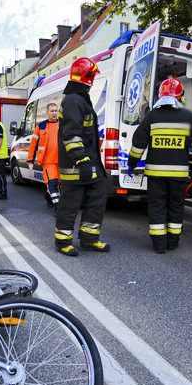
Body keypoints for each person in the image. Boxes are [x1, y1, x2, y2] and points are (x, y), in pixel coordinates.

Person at [128, 77, 192, 253]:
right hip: (179, 175)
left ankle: (159, 245)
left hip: (156, 175)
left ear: (160, 95)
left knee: (157, 207)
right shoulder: (188, 117)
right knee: (175, 207)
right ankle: (173, 243)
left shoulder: (151, 116)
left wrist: (131, 163)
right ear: (180, 97)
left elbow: (138, 144)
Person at [55, 57, 109, 257]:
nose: (94, 79)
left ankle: (89, 238)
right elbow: (71, 134)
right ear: (87, 77)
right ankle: (62, 241)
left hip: (89, 162)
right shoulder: (72, 100)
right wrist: (81, 159)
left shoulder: (79, 97)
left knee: (97, 197)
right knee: (70, 203)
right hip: (77, 164)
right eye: (92, 76)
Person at [28, 99, 61, 213]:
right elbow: (33, 144)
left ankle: (49, 198)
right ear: (47, 112)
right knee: (53, 183)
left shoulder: (63, 124)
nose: (54, 113)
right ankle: (58, 209)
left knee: (59, 185)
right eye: (52, 111)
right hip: (48, 161)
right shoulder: (41, 126)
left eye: (56, 111)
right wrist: (30, 161)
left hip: (61, 161)